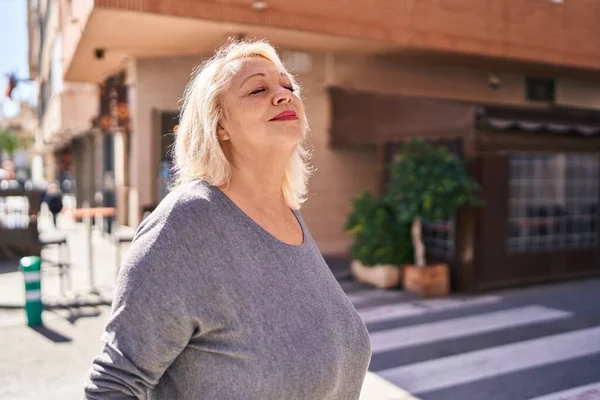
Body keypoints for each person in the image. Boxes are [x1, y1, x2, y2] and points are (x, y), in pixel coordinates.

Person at [84, 40, 372, 400]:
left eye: (288, 85)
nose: (284, 95)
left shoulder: (289, 216)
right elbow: (113, 387)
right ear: (219, 125)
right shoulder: (187, 224)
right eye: (258, 89)